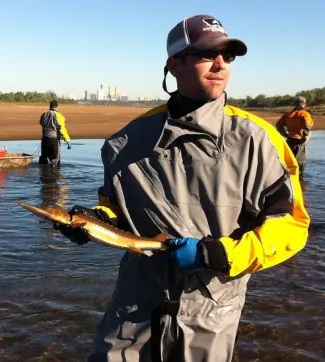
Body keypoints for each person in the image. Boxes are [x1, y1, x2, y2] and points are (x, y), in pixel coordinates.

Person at [55, 14, 310, 362]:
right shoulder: (125, 142)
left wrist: (219, 254)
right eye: (207, 53)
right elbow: (117, 207)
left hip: (212, 310)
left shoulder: (259, 140)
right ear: (174, 65)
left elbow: (291, 225)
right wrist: (94, 221)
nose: (221, 64)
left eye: (228, 55)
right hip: (134, 305)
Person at [276, 96, 314, 175]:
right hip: (300, 142)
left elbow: (279, 125)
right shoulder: (305, 115)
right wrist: (304, 137)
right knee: (300, 164)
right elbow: (307, 127)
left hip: (289, 140)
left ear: (295, 104)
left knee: (289, 163)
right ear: (304, 104)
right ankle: (299, 182)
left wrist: (285, 134)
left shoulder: (287, 115)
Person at [39, 100, 72, 167]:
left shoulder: (44, 114)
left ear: (50, 106)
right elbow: (62, 129)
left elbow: (41, 123)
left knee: (44, 158)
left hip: (44, 139)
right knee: (54, 160)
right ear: (57, 106)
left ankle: (43, 175)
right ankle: (54, 175)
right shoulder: (59, 116)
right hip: (54, 140)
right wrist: (68, 140)